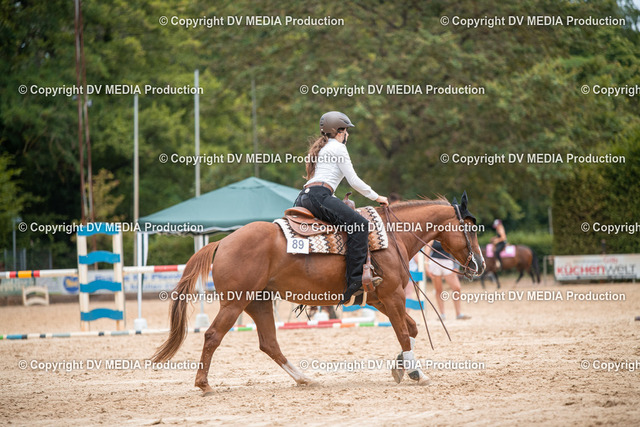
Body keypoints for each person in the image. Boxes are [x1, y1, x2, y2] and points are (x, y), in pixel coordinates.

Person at [294, 111, 388, 304]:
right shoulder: (338, 148)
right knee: (360, 226)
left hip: (303, 197)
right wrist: (377, 197)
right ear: (339, 131)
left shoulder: (322, 148)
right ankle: (355, 281)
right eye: (346, 130)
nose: (348, 134)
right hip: (319, 196)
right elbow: (353, 180)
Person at [426, 240, 471, 320]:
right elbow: (427, 251)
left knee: (457, 288)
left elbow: (456, 251)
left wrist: (456, 266)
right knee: (438, 290)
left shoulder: (448, 236)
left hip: (448, 262)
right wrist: (426, 266)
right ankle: (442, 314)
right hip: (434, 262)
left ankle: (458, 313)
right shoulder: (432, 238)